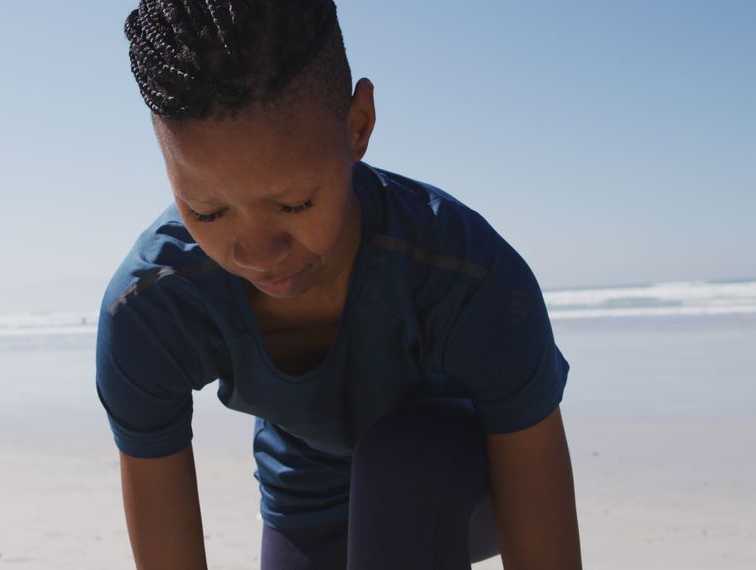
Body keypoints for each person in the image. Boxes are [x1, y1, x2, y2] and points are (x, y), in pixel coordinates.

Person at [95, 1, 582, 568]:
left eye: (293, 203)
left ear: (358, 126)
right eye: (207, 212)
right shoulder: (152, 308)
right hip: (308, 492)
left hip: (470, 473)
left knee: (399, 463)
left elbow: (539, 506)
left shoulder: (467, 276)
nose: (257, 254)